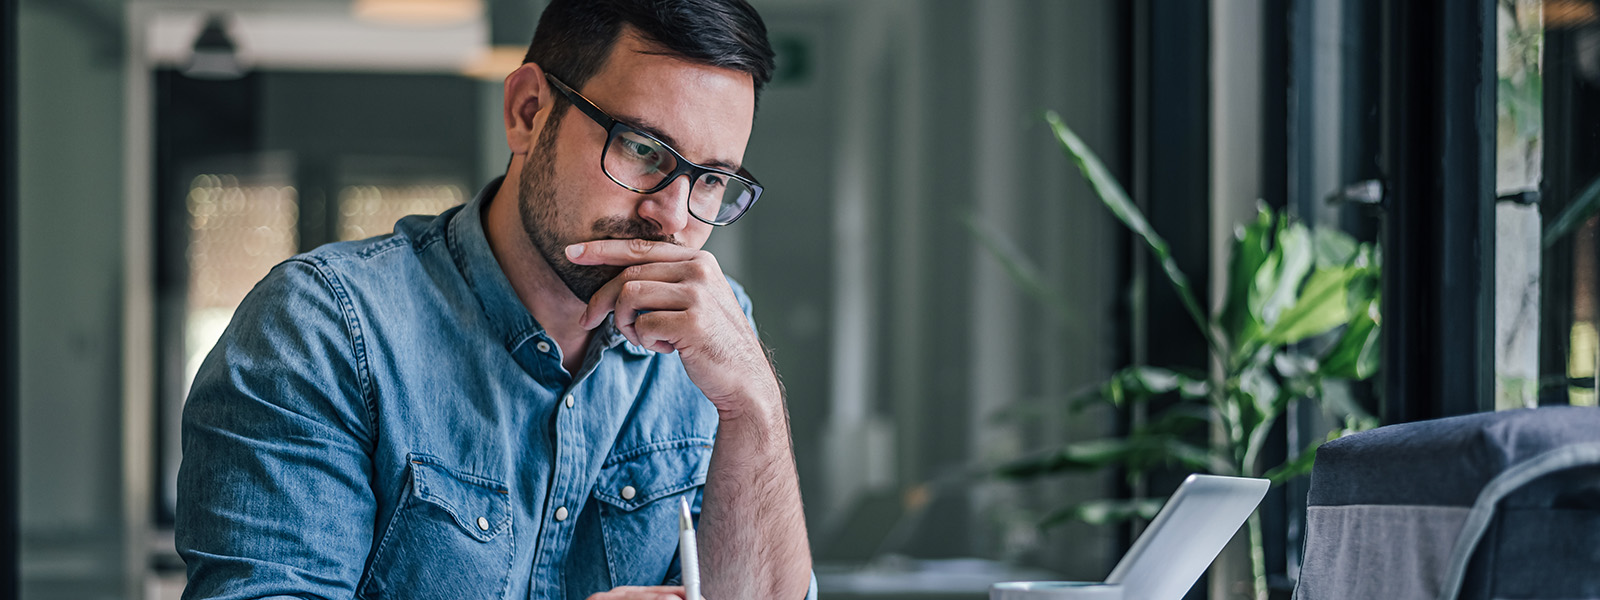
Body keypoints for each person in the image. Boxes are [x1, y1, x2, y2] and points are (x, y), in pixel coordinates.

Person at [175, 1, 813, 598]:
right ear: (529, 112)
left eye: (711, 181)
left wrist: (754, 402)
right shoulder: (320, 332)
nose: (671, 217)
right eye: (642, 149)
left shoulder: (714, 333)